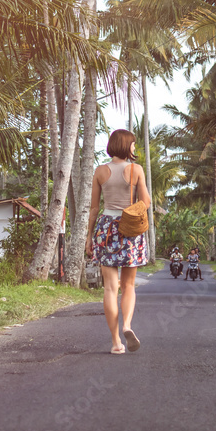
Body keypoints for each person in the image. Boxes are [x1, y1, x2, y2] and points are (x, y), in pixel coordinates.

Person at [85, 129, 151, 354]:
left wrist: (88, 236)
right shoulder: (136, 169)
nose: (134, 148)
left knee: (110, 289)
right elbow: (146, 202)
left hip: (105, 228)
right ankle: (127, 325)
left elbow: (94, 208)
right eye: (133, 144)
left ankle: (115, 343)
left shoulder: (100, 171)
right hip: (129, 228)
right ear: (126, 146)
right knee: (129, 285)